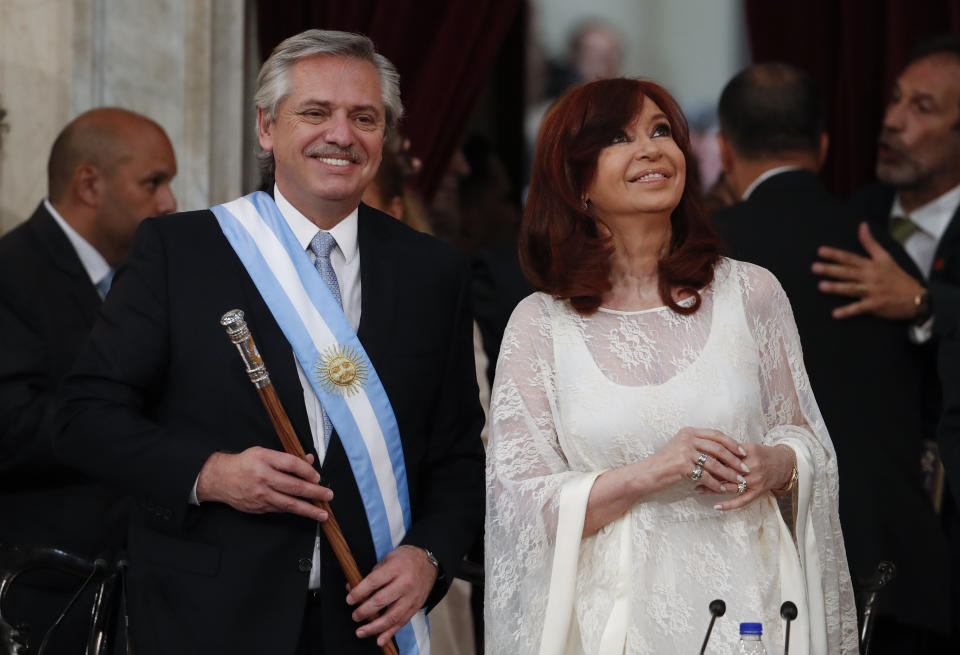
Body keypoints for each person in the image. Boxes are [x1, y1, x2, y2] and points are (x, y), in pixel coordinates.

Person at [55, 30, 484, 655]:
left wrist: (430, 557)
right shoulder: (181, 252)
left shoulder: (434, 273)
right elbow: (83, 419)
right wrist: (211, 474)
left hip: (365, 627)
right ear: (266, 128)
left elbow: (457, 459)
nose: (341, 135)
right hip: (208, 620)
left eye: (363, 117)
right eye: (315, 112)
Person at [485, 77, 859, 654]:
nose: (651, 148)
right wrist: (650, 473)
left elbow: (809, 442)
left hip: (747, 606)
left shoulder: (751, 292)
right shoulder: (540, 325)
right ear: (576, 179)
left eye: (661, 131)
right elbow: (520, 505)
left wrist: (774, 463)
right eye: (619, 137)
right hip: (612, 624)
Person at [712, 63, 952, 649]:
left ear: (723, 147)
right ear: (822, 145)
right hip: (892, 562)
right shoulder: (880, 251)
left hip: (751, 569)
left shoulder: (701, 252)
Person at [0, 107, 176, 654]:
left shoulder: (147, 283)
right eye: (154, 182)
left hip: (138, 586)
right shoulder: (11, 273)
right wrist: (133, 428)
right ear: (89, 183)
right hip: (45, 592)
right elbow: (11, 425)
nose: (170, 202)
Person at [813, 35, 960, 508]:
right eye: (895, 100)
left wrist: (922, 304)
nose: (892, 122)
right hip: (870, 489)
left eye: (922, 108)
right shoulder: (853, 215)